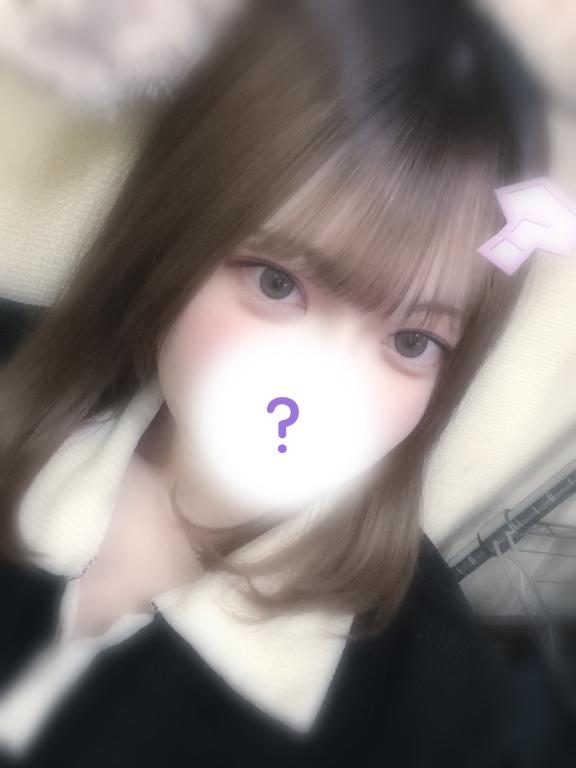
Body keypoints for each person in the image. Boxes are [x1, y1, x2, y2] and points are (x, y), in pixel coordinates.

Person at [0, 0, 567, 765]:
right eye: (276, 283)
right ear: (174, 236)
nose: (325, 389)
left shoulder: (432, 699)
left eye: (412, 340)